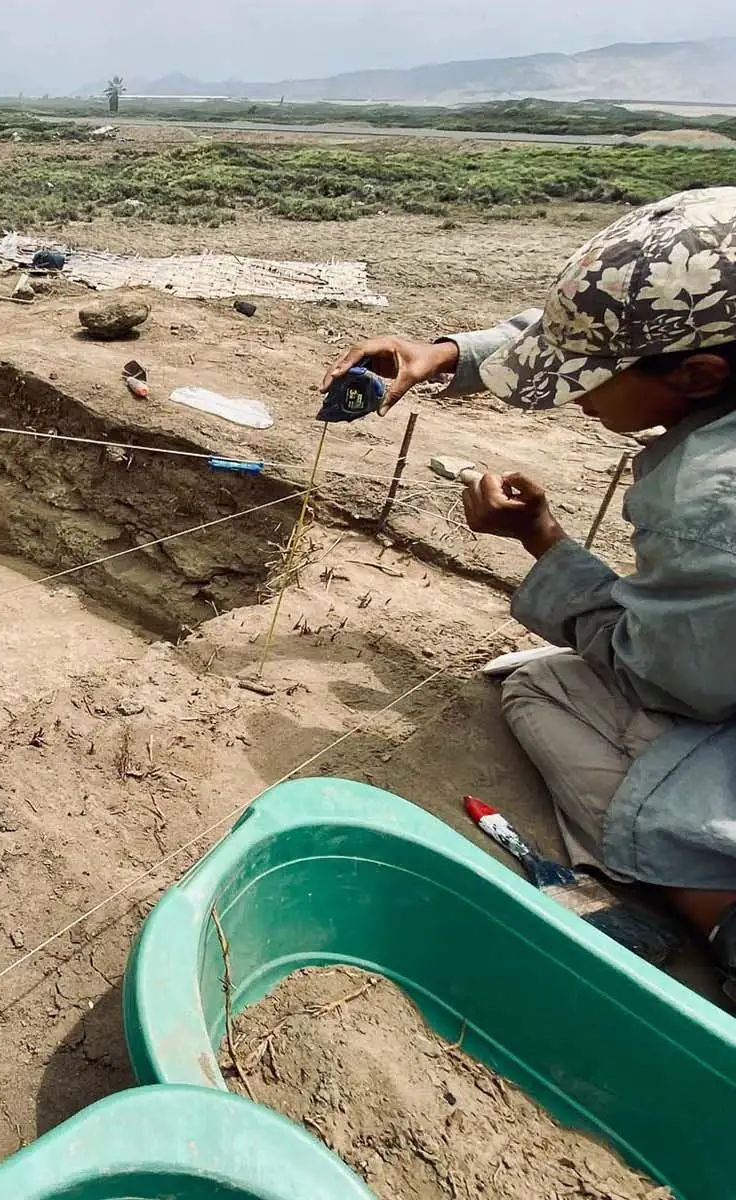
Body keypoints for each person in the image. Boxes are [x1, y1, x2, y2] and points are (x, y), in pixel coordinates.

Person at [325, 188, 736, 989]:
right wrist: (443, 354)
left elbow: (669, 682)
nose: (575, 395)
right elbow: (598, 331)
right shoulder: (713, 343)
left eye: (589, 378)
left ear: (701, 373)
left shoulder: (711, 501)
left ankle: (714, 910)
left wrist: (542, 542)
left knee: (542, 688)